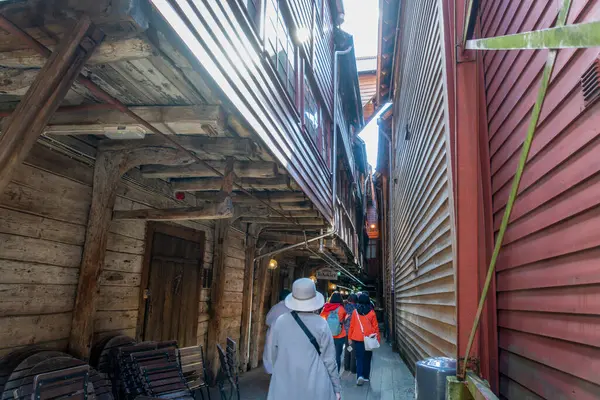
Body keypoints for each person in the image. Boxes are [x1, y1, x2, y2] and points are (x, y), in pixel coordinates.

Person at [267, 278, 341, 400]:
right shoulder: (321, 324)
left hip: (286, 383)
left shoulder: (281, 321)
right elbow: (329, 360)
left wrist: (281, 370)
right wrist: (336, 388)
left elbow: (274, 354)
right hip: (316, 384)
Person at [348, 293, 380, 386]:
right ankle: (366, 377)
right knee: (367, 357)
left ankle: (359, 376)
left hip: (357, 338)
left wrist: (349, 337)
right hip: (369, 338)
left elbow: (352, 326)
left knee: (359, 357)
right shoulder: (372, 312)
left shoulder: (355, 312)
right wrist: (377, 338)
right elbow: (375, 327)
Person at [262, 289, 291, 374]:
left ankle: (273, 373)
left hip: (273, 335)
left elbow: (267, 321)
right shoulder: (291, 309)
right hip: (286, 336)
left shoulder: (275, 307)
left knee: (272, 355)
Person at [320, 292, 348, 372]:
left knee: (327, 355)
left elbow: (321, 319)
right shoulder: (342, 309)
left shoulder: (326, 308)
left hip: (328, 335)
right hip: (339, 336)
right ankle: (336, 374)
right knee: (337, 356)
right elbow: (344, 320)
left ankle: (327, 372)